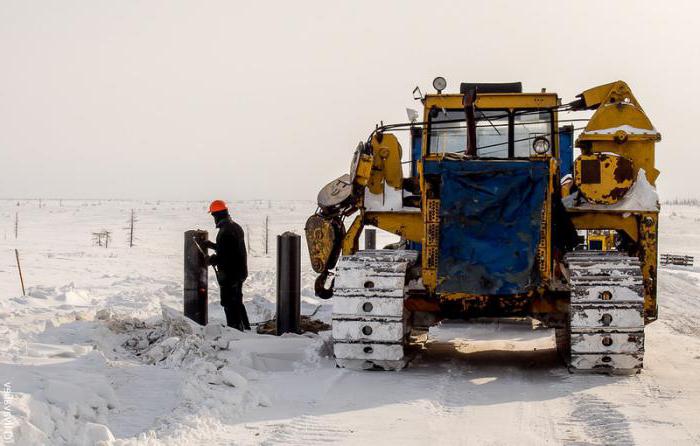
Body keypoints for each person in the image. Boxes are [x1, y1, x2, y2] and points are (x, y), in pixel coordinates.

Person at [204, 200, 250, 331]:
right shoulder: (234, 226)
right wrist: (213, 245)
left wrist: (210, 260)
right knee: (237, 301)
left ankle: (235, 329)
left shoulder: (225, 232)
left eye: (213, 215)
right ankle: (245, 328)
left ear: (216, 215)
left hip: (230, 274)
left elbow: (226, 256)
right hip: (239, 272)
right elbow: (229, 249)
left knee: (229, 303)